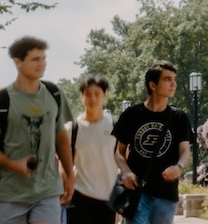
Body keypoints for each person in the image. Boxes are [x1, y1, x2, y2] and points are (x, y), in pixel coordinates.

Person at [0, 36, 76, 224]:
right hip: (8, 192)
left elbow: (61, 137)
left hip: (47, 189)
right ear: (18, 62)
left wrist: (69, 175)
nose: (42, 64)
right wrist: (14, 165)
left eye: (44, 58)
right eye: (35, 59)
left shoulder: (55, 94)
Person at [113, 63, 194, 224]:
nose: (173, 84)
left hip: (166, 192)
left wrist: (178, 167)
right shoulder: (132, 115)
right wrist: (125, 171)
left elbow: (185, 151)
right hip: (136, 190)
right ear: (152, 85)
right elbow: (117, 151)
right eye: (167, 79)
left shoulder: (179, 117)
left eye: (174, 79)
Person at [65, 78, 115, 224]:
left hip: (107, 197)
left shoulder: (116, 126)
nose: (92, 98)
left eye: (97, 94)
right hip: (78, 196)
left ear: (104, 95)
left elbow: (124, 159)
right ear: (81, 97)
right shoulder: (71, 129)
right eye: (88, 94)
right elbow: (64, 162)